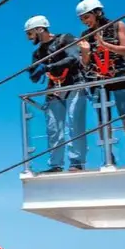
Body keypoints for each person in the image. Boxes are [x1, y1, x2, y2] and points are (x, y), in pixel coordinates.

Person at [75, 0, 125, 167]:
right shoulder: (85, 36)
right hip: (98, 79)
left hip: (119, 73)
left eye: (86, 17)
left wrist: (104, 45)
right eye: (82, 19)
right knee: (102, 117)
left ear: (97, 13)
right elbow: (85, 63)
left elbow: (124, 49)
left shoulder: (117, 25)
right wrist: (84, 52)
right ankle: (108, 154)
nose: (85, 22)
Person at [24, 15, 88, 172]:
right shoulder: (38, 53)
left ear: (40, 29)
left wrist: (47, 67)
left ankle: (76, 162)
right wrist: (34, 72)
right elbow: (34, 77)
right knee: (54, 128)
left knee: (75, 124)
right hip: (55, 89)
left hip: (74, 84)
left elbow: (73, 58)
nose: (29, 38)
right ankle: (56, 164)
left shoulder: (65, 39)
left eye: (30, 33)